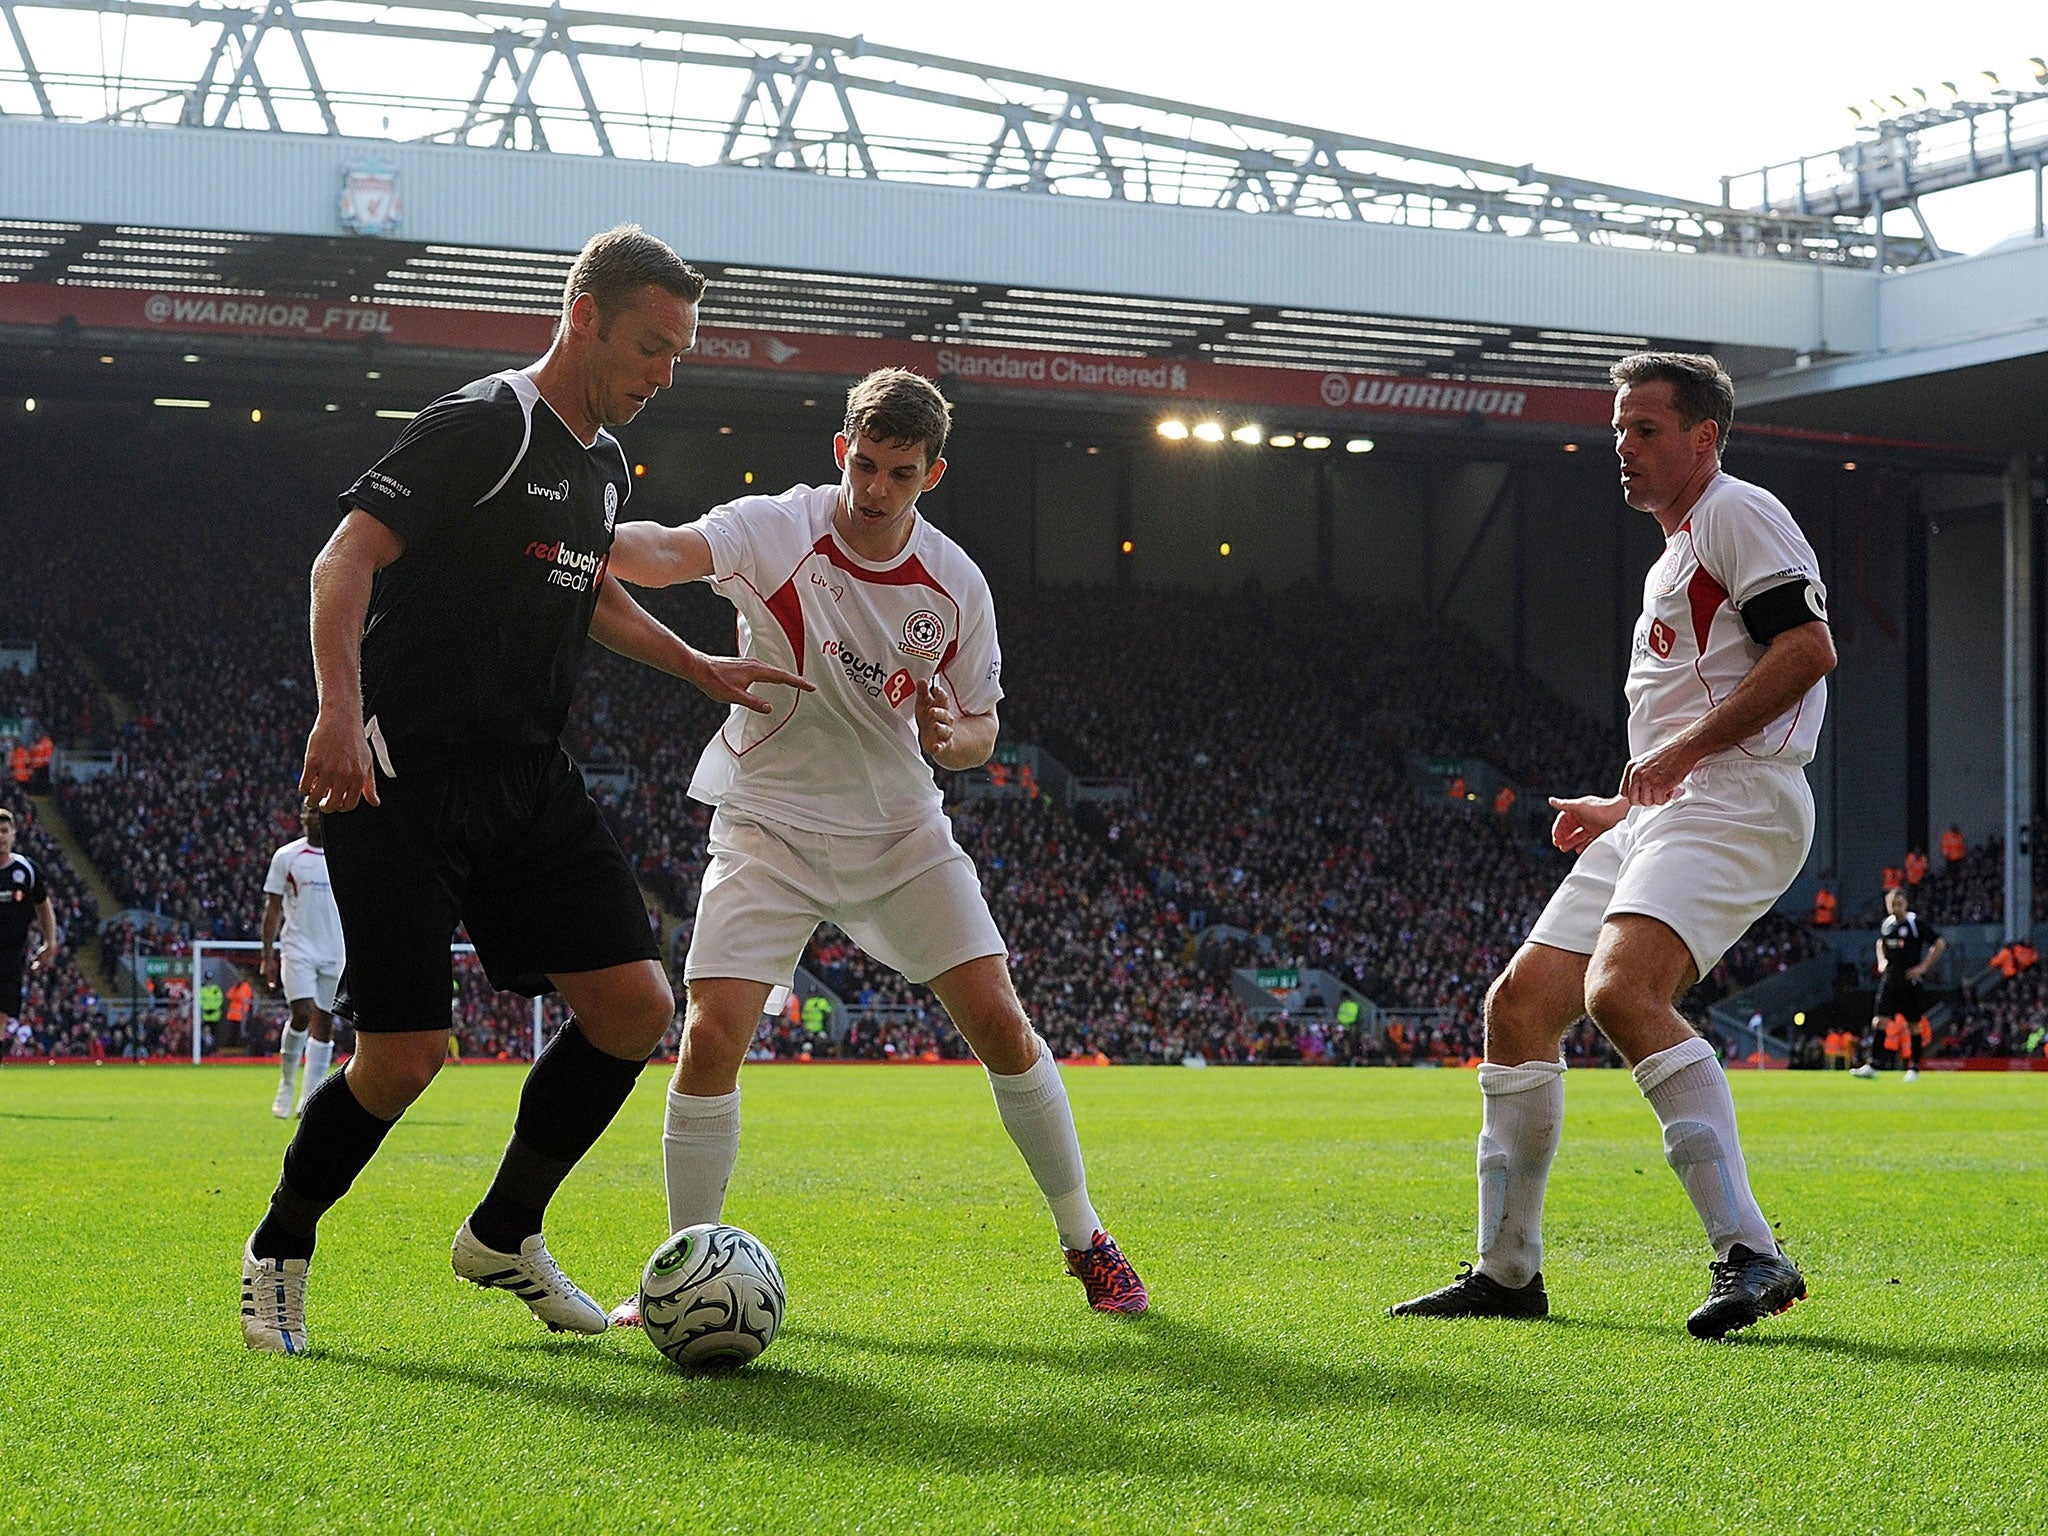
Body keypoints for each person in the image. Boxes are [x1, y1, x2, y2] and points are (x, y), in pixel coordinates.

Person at [239, 224, 809, 1354]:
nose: (663, 374)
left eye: (678, 354)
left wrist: (697, 667)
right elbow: (342, 560)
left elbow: (586, 593)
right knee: (401, 1061)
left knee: (637, 1010)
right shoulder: (484, 424)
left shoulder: (604, 466)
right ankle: (279, 1247)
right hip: (404, 781)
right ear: (584, 316)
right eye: (651, 346)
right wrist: (338, 714)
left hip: (528, 779)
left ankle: (502, 1231)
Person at [604, 367, 1148, 1316]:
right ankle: (681, 1270)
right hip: (768, 820)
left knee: (1001, 1027)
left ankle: (1085, 1238)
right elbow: (660, 551)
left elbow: (979, 728)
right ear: (840, 450)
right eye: (865, 464)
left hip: (899, 831)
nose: (876, 489)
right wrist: (579, 536)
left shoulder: (957, 584)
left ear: (932, 476)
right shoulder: (776, 526)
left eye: (901, 474)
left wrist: (956, 741)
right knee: (709, 1040)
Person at [1390, 352, 1835, 1339]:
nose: (1622, 450)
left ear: (1701, 437)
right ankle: (1505, 1272)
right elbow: (1696, 709)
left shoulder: (1733, 512)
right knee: (1516, 1007)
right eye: (1615, 432)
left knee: (1619, 992)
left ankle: (1748, 1250)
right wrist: (1620, 803)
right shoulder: (1673, 551)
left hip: (1736, 801)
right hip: (1672, 807)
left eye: (1643, 430)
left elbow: (1806, 653)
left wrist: (1671, 762)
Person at [261, 798, 348, 1118]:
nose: (315, 817)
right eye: (310, 811)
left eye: (321, 812)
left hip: (335, 951)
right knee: (301, 1013)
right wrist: (267, 954)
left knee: (324, 1022)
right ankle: (286, 1084)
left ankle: (309, 1099)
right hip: (298, 948)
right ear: (301, 817)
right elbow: (272, 908)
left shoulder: (346, 855)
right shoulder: (287, 857)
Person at [1853, 886, 1944, 1082]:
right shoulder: (1887, 924)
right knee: (1879, 1021)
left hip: (1910, 981)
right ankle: (1873, 1065)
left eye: (1899, 904)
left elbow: (1939, 943)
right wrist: (1881, 961)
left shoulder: (1915, 924)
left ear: (1906, 904)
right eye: (1892, 904)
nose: (1896, 907)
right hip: (1890, 980)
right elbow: (1881, 943)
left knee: (1913, 1025)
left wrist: (1923, 967)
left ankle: (1914, 1068)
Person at [0, 808, 55, 1054]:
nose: (0, 836)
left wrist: (50, 942)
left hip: (11, 956)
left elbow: (43, 907)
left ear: (13, 835)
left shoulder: (27, 870)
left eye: (4, 831)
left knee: (0, 1018)